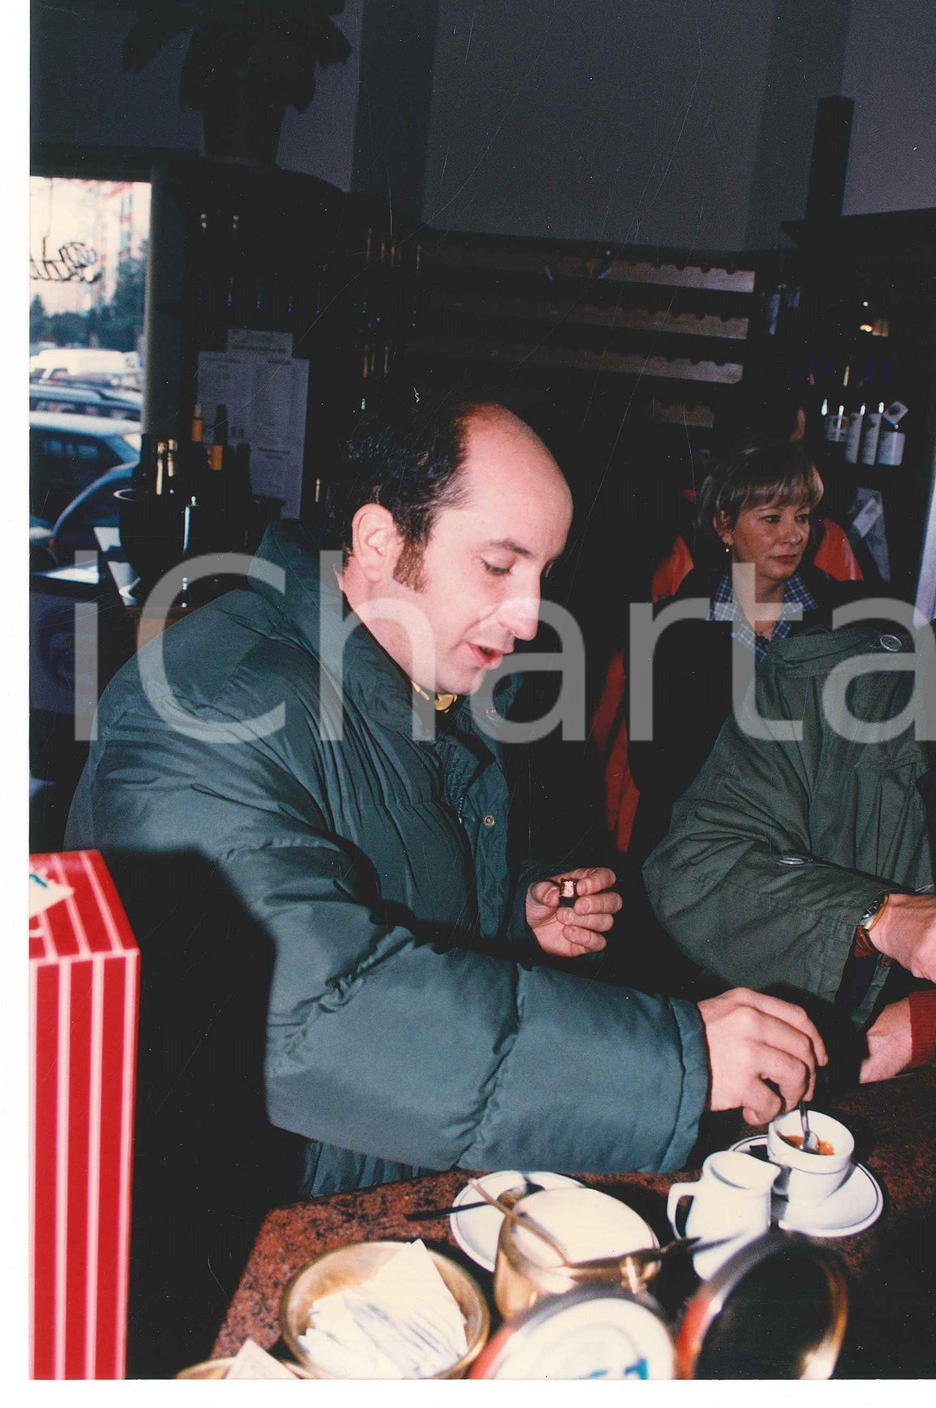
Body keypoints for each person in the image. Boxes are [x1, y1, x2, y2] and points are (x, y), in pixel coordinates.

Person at [65, 388, 827, 1200]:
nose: (530, 618)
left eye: (542, 572)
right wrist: (676, 1059)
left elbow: (377, 890)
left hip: (389, 1174)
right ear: (380, 540)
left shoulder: (423, 679)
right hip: (250, 1227)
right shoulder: (206, 705)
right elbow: (311, 1015)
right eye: (498, 566)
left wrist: (515, 912)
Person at [643, 621, 936, 1079]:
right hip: (776, 1041)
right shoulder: (828, 681)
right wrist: (881, 916)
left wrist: (921, 1027)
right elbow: (693, 862)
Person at [626, 438, 866, 864]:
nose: (793, 535)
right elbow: (654, 771)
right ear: (725, 525)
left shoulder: (845, 624)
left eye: (802, 517)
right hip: (695, 852)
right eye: (772, 518)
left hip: (809, 856)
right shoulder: (667, 629)